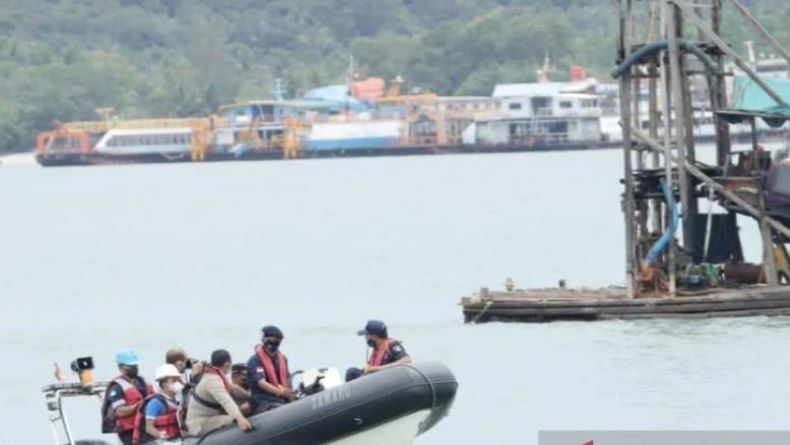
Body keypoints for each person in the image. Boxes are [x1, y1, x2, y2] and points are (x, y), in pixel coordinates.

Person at [185, 349, 252, 435]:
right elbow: (226, 401)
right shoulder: (212, 380)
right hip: (199, 423)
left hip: (209, 417)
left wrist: (250, 397)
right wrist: (240, 418)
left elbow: (233, 389)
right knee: (232, 419)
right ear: (227, 364)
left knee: (239, 412)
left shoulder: (213, 374)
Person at [102, 348, 154, 445]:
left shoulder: (143, 383)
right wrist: (138, 406)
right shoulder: (117, 387)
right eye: (130, 366)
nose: (134, 368)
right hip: (128, 431)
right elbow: (119, 411)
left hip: (146, 427)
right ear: (120, 367)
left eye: (135, 365)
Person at [246, 325, 295, 415]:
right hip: (262, 401)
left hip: (281, 399)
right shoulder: (255, 360)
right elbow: (261, 383)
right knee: (278, 409)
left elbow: (287, 380)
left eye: (277, 341)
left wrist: (290, 395)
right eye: (271, 340)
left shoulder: (282, 359)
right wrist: (280, 392)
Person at [132, 364, 183, 444]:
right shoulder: (155, 403)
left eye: (177, 380)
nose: (177, 383)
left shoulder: (177, 401)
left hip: (176, 439)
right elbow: (149, 428)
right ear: (164, 384)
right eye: (173, 381)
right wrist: (162, 436)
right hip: (157, 441)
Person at [346, 320, 411, 382]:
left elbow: (406, 360)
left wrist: (379, 368)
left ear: (374, 336)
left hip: (386, 380)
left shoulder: (392, 345)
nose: (365, 338)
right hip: (374, 379)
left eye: (367, 335)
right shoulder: (376, 349)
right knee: (351, 372)